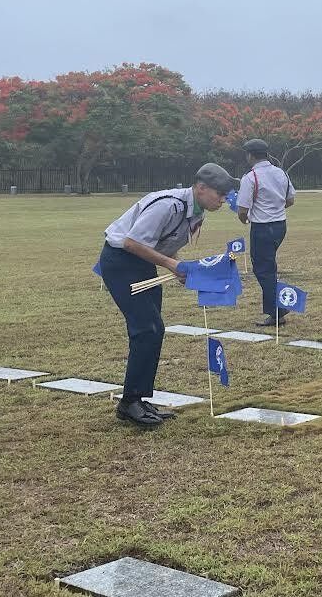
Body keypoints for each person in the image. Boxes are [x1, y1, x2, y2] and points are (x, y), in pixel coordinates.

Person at [99, 163, 238, 427]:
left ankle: (137, 398)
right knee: (147, 329)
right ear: (201, 188)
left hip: (141, 263)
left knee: (154, 329)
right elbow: (131, 242)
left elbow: (163, 243)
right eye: (220, 193)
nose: (223, 198)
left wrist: (179, 265)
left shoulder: (196, 213)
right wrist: (171, 265)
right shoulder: (169, 205)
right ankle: (129, 402)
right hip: (121, 262)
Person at [235, 138, 296, 326]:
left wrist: (244, 219)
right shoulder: (281, 173)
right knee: (269, 266)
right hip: (280, 225)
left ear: (250, 155)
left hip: (262, 227)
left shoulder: (250, 177)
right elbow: (290, 200)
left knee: (263, 269)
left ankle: (278, 311)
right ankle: (277, 309)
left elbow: (243, 209)